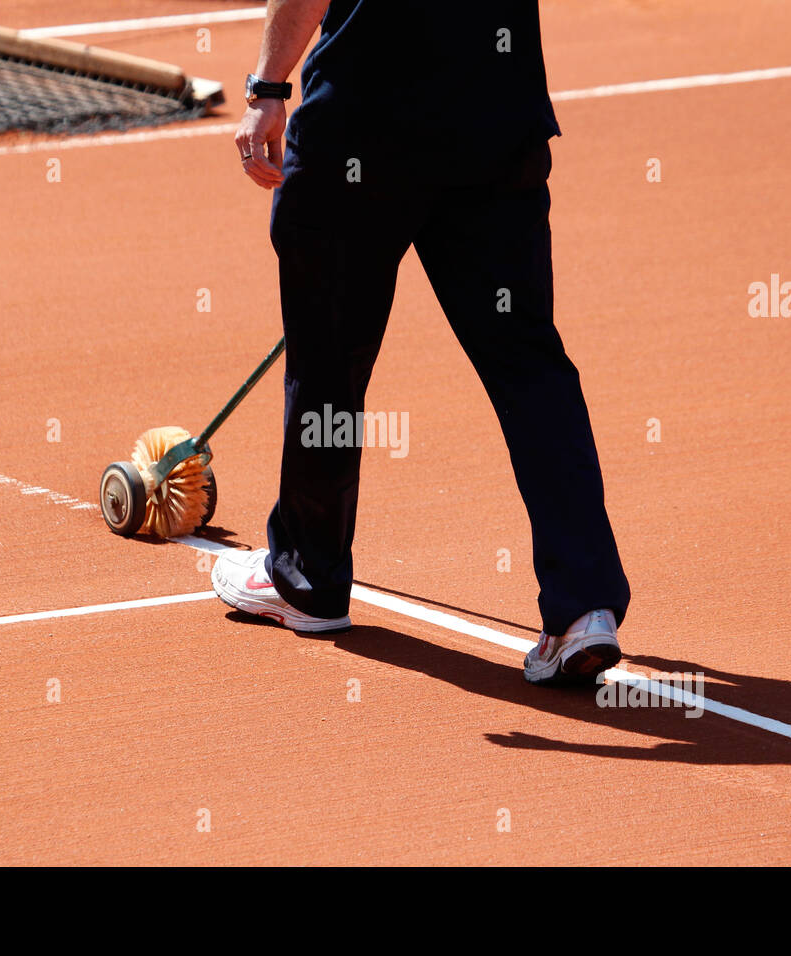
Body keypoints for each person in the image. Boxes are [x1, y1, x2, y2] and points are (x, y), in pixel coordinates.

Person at [211, 0, 631, 686]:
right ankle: (584, 606)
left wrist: (267, 88)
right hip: (498, 125)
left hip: (362, 129)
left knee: (329, 363)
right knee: (528, 365)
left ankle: (308, 579)